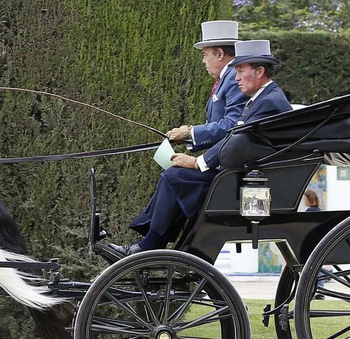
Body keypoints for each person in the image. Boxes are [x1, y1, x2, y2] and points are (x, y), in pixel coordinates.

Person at [115, 39, 294, 256]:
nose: (236, 77)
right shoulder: (262, 98)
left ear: (259, 72)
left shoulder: (268, 101)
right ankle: (154, 242)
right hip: (244, 175)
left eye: (240, 70)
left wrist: (198, 162)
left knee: (175, 177)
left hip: (248, 181)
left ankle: (151, 244)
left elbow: (238, 140)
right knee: (177, 176)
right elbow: (236, 137)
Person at [164, 19, 248, 152]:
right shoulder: (227, 76)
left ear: (219, 54)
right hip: (224, 154)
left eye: (205, 55)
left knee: (173, 173)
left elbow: (233, 124)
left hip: (230, 158)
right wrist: (188, 137)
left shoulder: (233, 77)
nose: (203, 61)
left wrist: (190, 132)